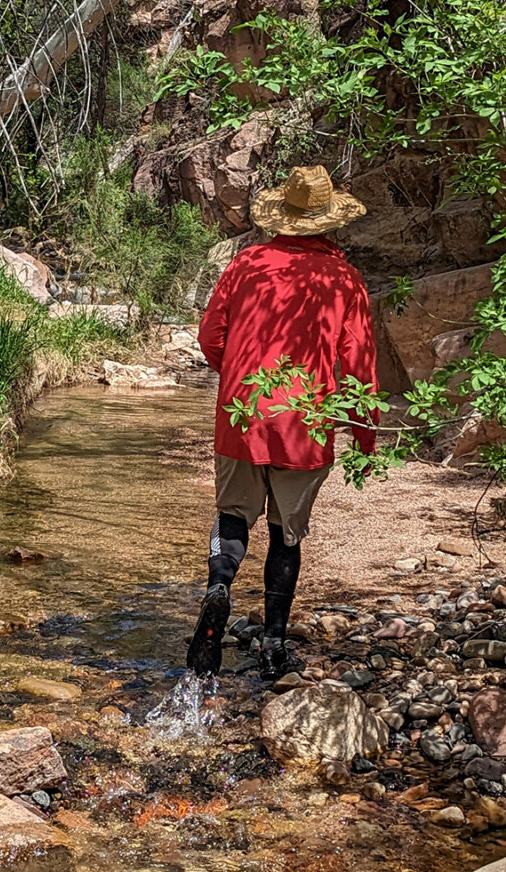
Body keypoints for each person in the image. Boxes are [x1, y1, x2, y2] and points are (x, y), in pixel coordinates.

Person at [186, 164, 378, 676]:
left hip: (240, 417)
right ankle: (272, 643)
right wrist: (364, 430)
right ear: (330, 222)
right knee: (285, 534)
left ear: (282, 217)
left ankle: (219, 590)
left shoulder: (246, 264)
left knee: (232, 517)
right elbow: (358, 361)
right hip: (305, 425)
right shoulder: (343, 279)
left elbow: (210, 338)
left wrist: (240, 379)